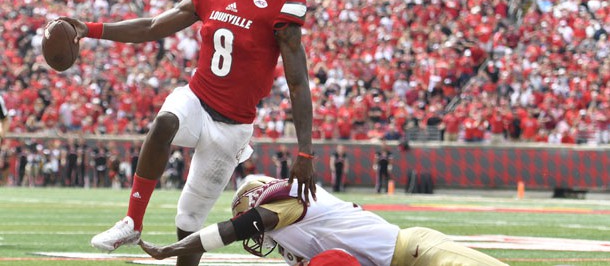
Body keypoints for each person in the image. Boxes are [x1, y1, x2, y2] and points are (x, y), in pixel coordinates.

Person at [60, 0, 316, 264]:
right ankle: (132, 221)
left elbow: (298, 83)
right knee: (164, 122)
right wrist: (91, 29)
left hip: (232, 127)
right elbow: (153, 25)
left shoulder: (284, 2)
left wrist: (305, 152)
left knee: (188, 224)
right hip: (197, 98)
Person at [138, 176, 508, 266]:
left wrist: (174, 248)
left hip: (417, 251)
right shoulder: (291, 238)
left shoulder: (289, 202)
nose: (249, 222)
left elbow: (234, 230)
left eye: (246, 212)